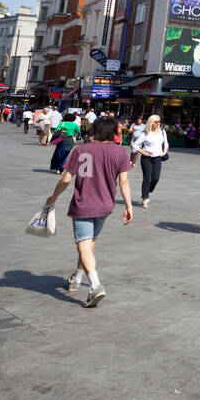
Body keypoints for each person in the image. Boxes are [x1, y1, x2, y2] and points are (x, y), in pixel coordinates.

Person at [44, 115, 133, 308]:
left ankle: (95, 285)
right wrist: (128, 206)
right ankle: (76, 278)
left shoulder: (81, 150)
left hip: (84, 203)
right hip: (105, 205)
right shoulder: (120, 153)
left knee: (83, 244)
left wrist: (53, 197)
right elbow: (124, 181)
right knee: (88, 243)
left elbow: (66, 179)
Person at [130, 114, 169, 208]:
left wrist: (164, 152)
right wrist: (142, 152)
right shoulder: (145, 133)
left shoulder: (162, 132)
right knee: (147, 178)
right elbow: (135, 145)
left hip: (157, 158)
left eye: (159, 121)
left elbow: (166, 144)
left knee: (156, 178)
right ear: (151, 123)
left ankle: (149, 190)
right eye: (156, 122)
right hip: (146, 158)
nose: (158, 123)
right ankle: (145, 198)